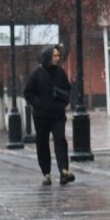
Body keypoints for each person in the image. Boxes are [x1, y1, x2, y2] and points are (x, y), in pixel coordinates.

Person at [22, 45, 74, 186]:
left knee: (60, 140)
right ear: (47, 58)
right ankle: (46, 173)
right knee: (42, 143)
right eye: (55, 56)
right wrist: (39, 104)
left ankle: (64, 171)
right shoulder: (36, 74)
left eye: (58, 55)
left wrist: (64, 101)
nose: (57, 58)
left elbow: (68, 89)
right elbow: (28, 93)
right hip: (41, 116)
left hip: (57, 114)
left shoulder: (60, 72)